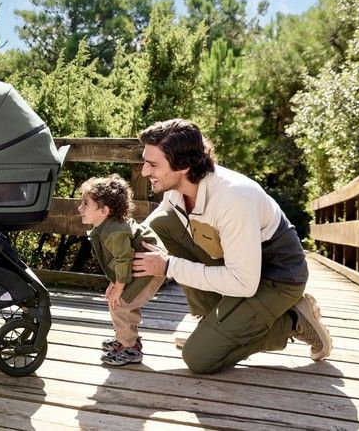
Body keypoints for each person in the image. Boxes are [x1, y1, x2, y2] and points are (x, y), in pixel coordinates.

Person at [131, 119, 332, 374]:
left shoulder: (233, 198)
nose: (144, 172)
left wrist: (169, 266)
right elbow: (149, 232)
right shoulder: (177, 188)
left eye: (153, 165)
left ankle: (293, 320)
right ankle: (213, 324)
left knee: (199, 357)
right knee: (162, 224)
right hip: (236, 262)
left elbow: (244, 282)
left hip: (277, 276)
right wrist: (121, 275)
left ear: (183, 166)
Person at [78, 174, 165, 366]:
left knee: (122, 303)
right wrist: (115, 282)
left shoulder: (115, 231)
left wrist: (119, 286)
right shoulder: (106, 227)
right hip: (137, 268)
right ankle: (125, 338)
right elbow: (118, 260)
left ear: (104, 211)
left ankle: (129, 348)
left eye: (85, 204)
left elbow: (124, 258)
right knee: (116, 300)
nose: (79, 208)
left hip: (149, 270)